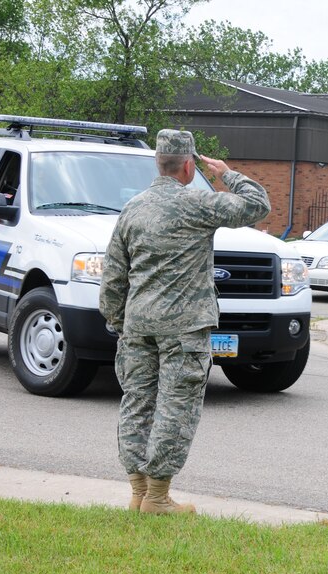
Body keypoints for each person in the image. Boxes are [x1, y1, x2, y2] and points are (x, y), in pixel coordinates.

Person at [99, 129, 270, 513]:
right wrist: (227, 173)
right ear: (189, 166)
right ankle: (157, 498)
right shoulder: (198, 203)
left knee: (137, 403)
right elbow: (257, 205)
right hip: (184, 329)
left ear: (159, 163)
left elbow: (113, 275)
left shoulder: (133, 208)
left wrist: (118, 321)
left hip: (138, 325)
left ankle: (138, 494)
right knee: (176, 408)